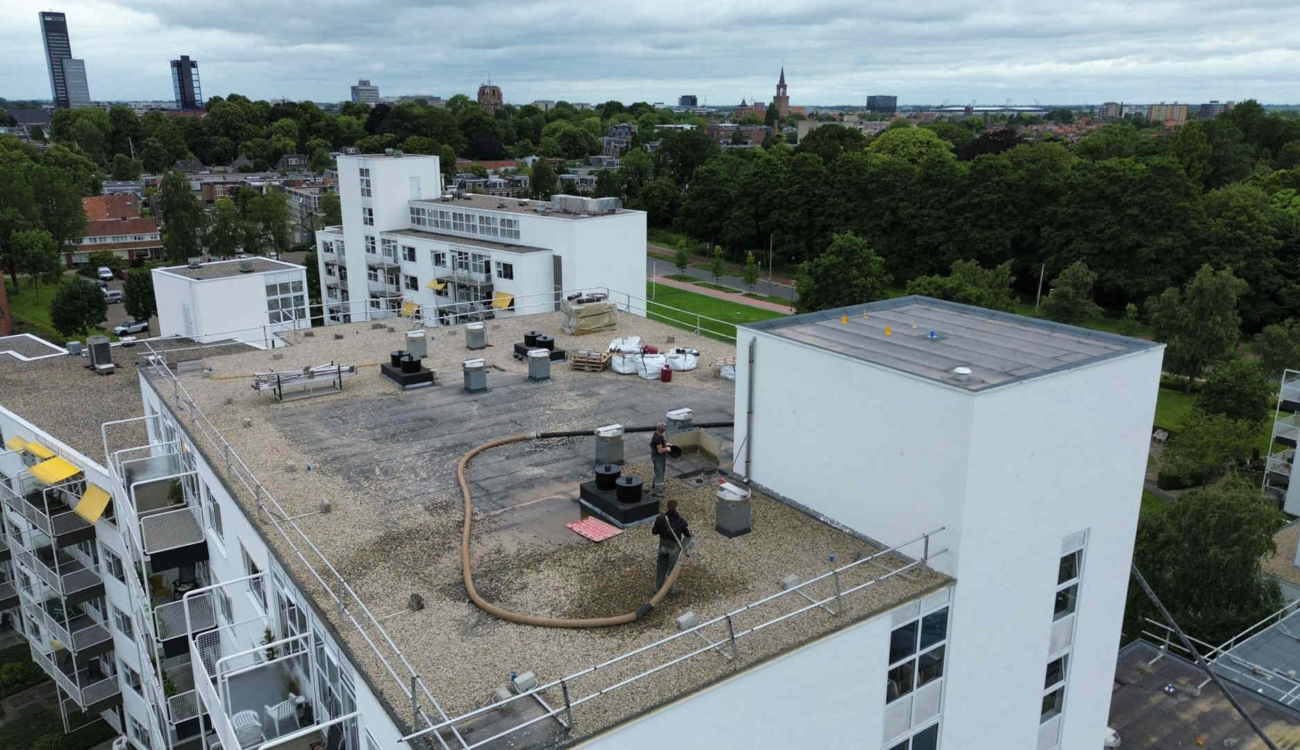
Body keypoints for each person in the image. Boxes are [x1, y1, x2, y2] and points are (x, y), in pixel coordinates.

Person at [652, 499, 691, 592]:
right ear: (676, 507)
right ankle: (671, 588)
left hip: (663, 545)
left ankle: (658, 587)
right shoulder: (680, 520)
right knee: (672, 569)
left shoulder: (660, 518)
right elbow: (687, 534)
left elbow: (654, 532)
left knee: (661, 566)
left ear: (667, 507)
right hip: (674, 546)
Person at [650, 423, 674, 496]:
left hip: (659, 458)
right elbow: (660, 450)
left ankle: (655, 486)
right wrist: (666, 449)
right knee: (659, 473)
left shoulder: (659, 435)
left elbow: (661, 444)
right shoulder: (657, 438)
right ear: (661, 430)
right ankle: (658, 491)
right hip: (658, 458)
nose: (665, 429)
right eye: (664, 428)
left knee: (658, 472)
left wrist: (666, 444)